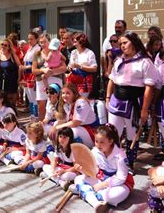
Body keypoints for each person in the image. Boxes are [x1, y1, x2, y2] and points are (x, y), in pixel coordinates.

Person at [105, 31, 157, 167]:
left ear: (133, 42)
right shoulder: (118, 60)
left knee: (132, 135)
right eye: (120, 43)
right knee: (112, 133)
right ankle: (114, 162)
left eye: (125, 42)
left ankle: (129, 164)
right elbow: (112, 80)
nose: (122, 46)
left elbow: (149, 87)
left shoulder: (145, 61)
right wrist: (107, 98)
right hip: (116, 101)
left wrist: (145, 110)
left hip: (134, 103)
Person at [74, 124, 134, 212]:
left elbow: (121, 178)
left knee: (112, 197)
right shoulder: (94, 151)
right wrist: (83, 169)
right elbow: (94, 171)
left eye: (102, 142)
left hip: (120, 183)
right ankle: (96, 203)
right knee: (78, 179)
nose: (98, 145)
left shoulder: (120, 156)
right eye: (96, 141)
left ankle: (88, 193)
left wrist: (102, 185)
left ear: (111, 141)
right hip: (101, 178)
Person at [32, 34, 66, 122]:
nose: (42, 44)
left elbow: (64, 68)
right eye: (40, 42)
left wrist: (51, 72)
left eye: (44, 42)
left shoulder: (58, 52)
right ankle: (41, 128)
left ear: (49, 42)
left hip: (56, 80)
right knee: (41, 106)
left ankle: (59, 125)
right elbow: (34, 70)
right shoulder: (37, 54)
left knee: (58, 104)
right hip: (41, 82)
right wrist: (43, 70)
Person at [52, 83, 98, 148]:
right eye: (63, 93)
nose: (64, 95)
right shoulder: (67, 104)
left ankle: (75, 152)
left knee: (71, 132)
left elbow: (76, 122)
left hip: (90, 131)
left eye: (68, 93)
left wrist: (58, 127)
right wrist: (55, 127)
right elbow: (64, 120)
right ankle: (60, 150)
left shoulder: (81, 102)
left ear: (74, 93)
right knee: (56, 124)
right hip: (80, 128)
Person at [0, 39, 21, 107]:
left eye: (5, 45)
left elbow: (19, 66)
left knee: (11, 103)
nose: (3, 46)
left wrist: (19, 79)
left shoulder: (12, 56)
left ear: (9, 47)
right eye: (2, 44)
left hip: (11, 82)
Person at [66, 32, 98, 97]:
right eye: (73, 41)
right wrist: (69, 68)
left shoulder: (89, 53)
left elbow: (94, 69)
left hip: (84, 81)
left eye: (75, 41)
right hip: (73, 80)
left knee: (81, 101)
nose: (73, 43)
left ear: (81, 41)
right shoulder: (73, 52)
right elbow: (69, 65)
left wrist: (80, 66)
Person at [19, 31, 41, 121]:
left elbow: (38, 63)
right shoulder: (29, 48)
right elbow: (25, 61)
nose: (29, 41)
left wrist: (25, 67)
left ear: (36, 39)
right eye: (28, 39)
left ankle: (36, 117)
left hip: (32, 74)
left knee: (34, 97)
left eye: (31, 39)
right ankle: (32, 116)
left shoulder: (38, 49)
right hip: (26, 74)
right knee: (29, 97)